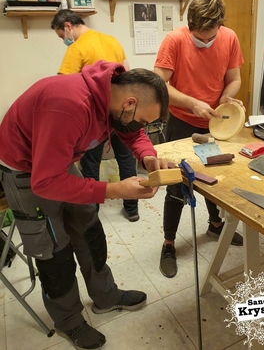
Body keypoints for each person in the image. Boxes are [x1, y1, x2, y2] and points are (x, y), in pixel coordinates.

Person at [0, 60, 169, 349]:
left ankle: (106, 296)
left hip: (57, 162)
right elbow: (45, 182)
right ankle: (69, 322)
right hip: (25, 170)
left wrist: (146, 155)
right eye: (143, 120)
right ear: (130, 102)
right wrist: (114, 189)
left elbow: (132, 133)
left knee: (88, 227)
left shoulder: (114, 100)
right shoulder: (70, 105)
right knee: (54, 248)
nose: (142, 126)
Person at [153, 0, 245, 279]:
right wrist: (192, 102)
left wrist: (227, 99)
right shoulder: (175, 40)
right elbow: (158, 84)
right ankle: (169, 243)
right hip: (182, 123)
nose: (204, 39)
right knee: (177, 184)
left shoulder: (229, 38)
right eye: (198, 33)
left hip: (215, 124)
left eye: (210, 33)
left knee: (214, 177)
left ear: (220, 24)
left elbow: (234, 79)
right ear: (189, 24)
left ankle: (215, 224)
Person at [51, 9, 140, 222]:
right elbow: (128, 73)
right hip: (121, 113)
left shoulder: (77, 48)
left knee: (91, 163)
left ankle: (92, 211)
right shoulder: (112, 41)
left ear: (68, 26)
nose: (64, 40)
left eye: (62, 36)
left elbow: (65, 91)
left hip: (94, 121)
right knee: (126, 159)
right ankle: (132, 208)